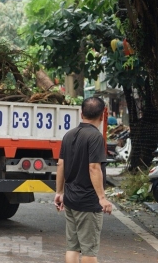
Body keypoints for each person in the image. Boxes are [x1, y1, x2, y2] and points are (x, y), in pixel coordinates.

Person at [54, 97, 113, 263]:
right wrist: (102, 198)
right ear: (102, 116)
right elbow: (94, 167)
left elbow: (60, 165)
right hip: (88, 201)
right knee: (89, 250)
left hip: (71, 199)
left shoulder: (69, 135)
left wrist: (59, 193)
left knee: (72, 247)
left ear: (81, 114)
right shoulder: (95, 137)